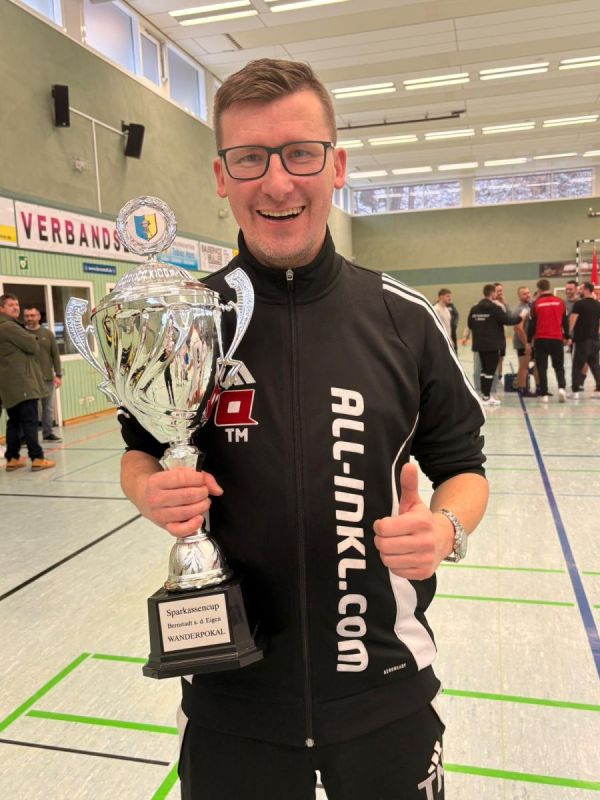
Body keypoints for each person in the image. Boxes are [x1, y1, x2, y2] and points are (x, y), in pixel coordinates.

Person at [118, 59, 489, 800]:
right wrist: (149, 492)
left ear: (336, 166)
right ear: (221, 176)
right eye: (250, 158)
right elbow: (139, 452)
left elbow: (464, 467)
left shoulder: (405, 320)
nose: (278, 183)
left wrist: (446, 529)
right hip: (232, 697)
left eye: (300, 154)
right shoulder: (185, 321)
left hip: (384, 689)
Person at [0, 293, 55, 471]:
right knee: (30, 421)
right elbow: (32, 345)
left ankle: (12, 458)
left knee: (14, 422)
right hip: (22, 383)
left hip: (9, 385)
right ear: (1, 308)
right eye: (11, 305)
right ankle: (37, 457)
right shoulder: (9, 326)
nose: (16, 307)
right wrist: (32, 338)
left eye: (17, 304)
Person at [467, 284, 526, 406]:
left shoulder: (474, 309)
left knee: (484, 370)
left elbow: (470, 324)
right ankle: (486, 397)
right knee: (490, 371)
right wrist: (521, 316)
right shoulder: (495, 308)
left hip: (479, 345)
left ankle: (484, 395)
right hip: (492, 345)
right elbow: (508, 321)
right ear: (493, 293)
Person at [23, 304, 63, 441]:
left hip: (47, 378)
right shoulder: (21, 334)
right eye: (27, 316)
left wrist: (58, 375)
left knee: (47, 407)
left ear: (39, 317)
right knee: (30, 409)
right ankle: (29, 436)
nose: (29, 318)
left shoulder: (48, 334)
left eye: (32, 315)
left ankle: (47, 433)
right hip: (28, 379)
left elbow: (55, 355)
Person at [528, 278, 568, 403]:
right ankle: (561, 388)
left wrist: (529, 340)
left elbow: (532, 324)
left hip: (541, 339)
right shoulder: (560, 302)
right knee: (559, 366)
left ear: (539, 289)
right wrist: (567, 336)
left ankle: (544, 394)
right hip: (556, 339)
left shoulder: (536, 303)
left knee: (542, 368)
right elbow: (565, 321)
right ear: (549, 287)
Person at [567, 281, 600, 399]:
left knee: (577, 365)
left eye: (581, 289)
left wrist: (567, 335)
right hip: (595, 340)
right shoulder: (598, 304)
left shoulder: (579, 304)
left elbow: (572, 320)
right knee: (595, 365)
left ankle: (575, 391)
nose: (579, 291)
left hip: (582, 340)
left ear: (586, 290)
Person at [512, 286, 537, 397]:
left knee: (538, 364)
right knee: (524, 366)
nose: (527, 295)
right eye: (524, 294)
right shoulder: (519, 310)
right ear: (519, 296)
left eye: (528, 293)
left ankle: (539, 388)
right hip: (522, 343)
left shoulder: (530, 306)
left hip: (532, 342)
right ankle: (522, 389)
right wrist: (526, 343)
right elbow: (518, 328)